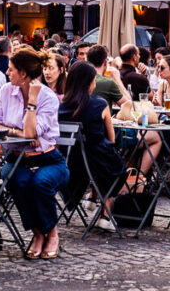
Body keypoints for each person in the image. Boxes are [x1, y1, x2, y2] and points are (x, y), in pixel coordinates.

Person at [0, 48, 69, 259]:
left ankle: (52, 234)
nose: (6, 72)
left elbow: (32, 132)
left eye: (11, 69)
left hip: (49, 160)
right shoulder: (6, 90)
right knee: (17, 181)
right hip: (17, 159)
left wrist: (31, 102)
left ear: (23, 74)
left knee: (40, 183)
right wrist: (17, 132)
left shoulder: (48, 97)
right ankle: (38, 233)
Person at [58, 61, 127, 230]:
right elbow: (111, 139)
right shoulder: (100, 104)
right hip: (97, 160)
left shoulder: (61, 106)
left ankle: (94, 200)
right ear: (89, 82)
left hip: (72, 163)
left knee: (100, 163)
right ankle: (105, 213)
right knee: (114, 165)